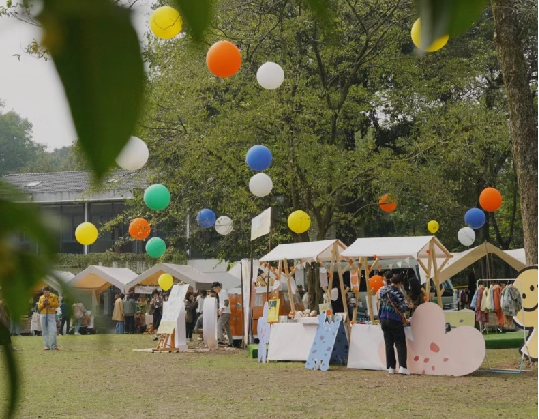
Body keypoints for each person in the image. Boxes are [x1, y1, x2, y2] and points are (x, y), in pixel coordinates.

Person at [379, 274, 413, 375]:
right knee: (400, 343)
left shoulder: (383, 290)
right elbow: (401, 308)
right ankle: (402, 367)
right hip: (394, 319)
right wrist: (409, 306)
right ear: (400, 283)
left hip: (383, 318)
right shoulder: (397, 292)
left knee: (388, 344)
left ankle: (391, 367)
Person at [212, 282, 233, 347]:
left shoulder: (223, 292)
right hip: (225, 311)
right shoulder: (219, 293)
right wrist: (220, 309)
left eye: (215, 288)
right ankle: (231, 342)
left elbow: (226, 301)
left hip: (225, 312)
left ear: (218, 287)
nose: (215, 290)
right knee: (227, 328)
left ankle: (220, 340)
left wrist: (222, 309)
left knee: (219, 325)